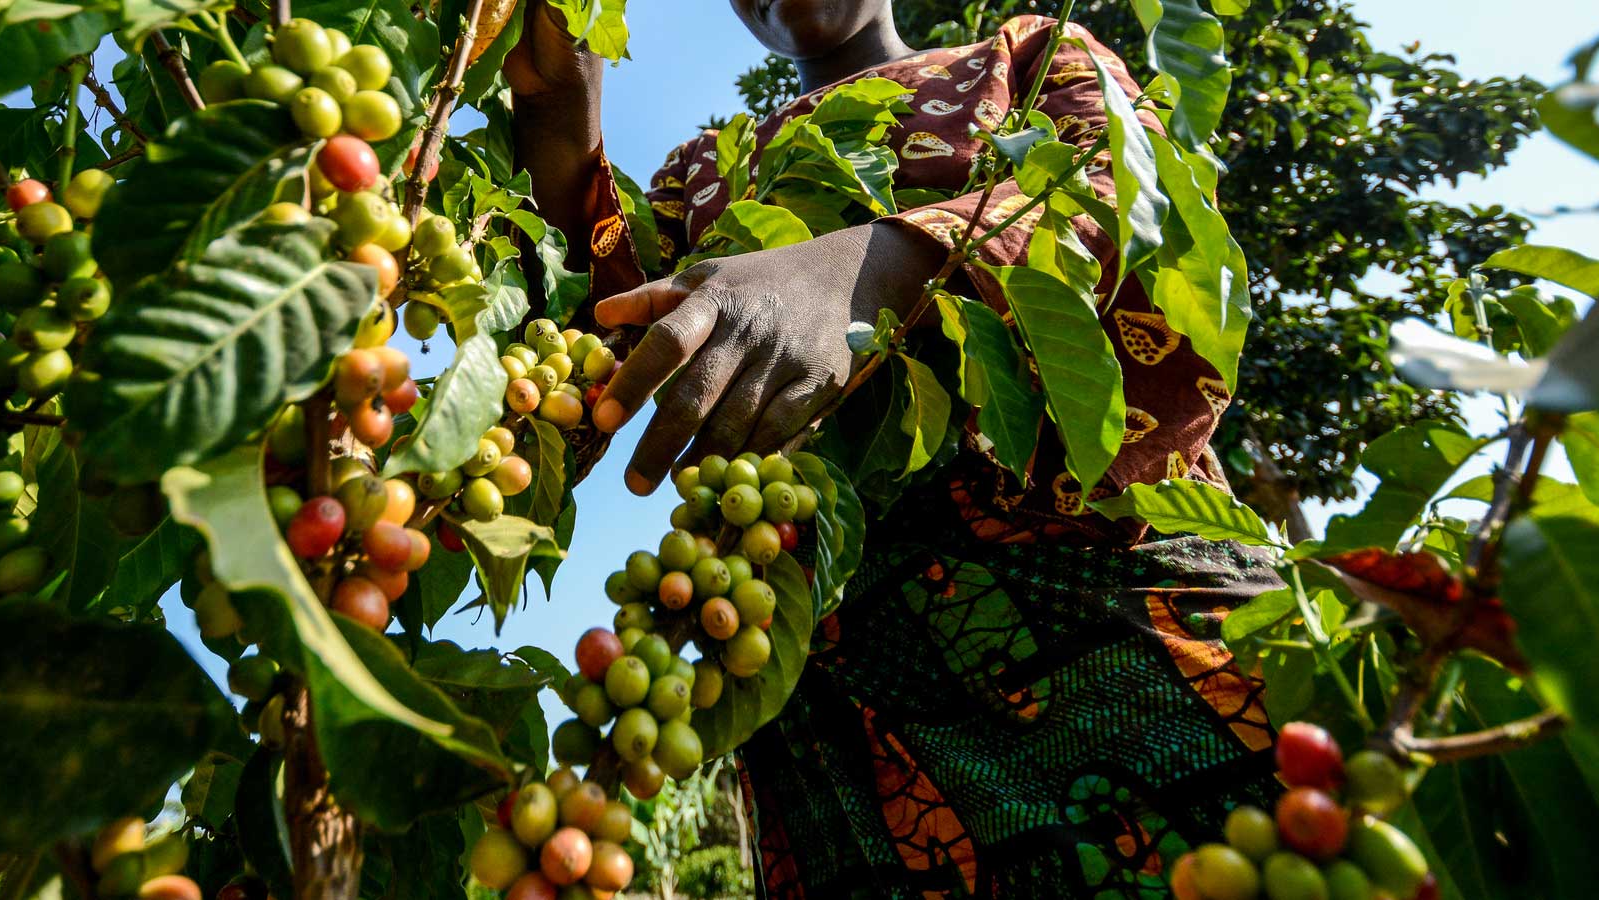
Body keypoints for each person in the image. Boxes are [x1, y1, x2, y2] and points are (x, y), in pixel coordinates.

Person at [509, 2, 1284, 896]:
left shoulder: (1025, 52)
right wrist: (559, 111)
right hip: (832, 702)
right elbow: (597, 339)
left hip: (1106, 607)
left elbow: (1139, 202)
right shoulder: (699, 172)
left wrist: (865, 271)